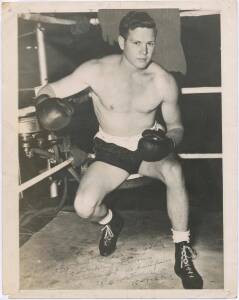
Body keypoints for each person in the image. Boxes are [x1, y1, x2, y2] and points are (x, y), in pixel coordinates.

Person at [36, 11, 203, 289]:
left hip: (147, 148)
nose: (144, 51)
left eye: (149, 43)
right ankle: (112, 221)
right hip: (110, 150)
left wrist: (169, 142)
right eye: (137, 43)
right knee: (84, 207)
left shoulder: (162, 81)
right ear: (122, 41)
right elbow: (49, 89)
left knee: (174, 170)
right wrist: (45, 104)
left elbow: (176, 126)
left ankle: (182, 248)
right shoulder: (96, 70)